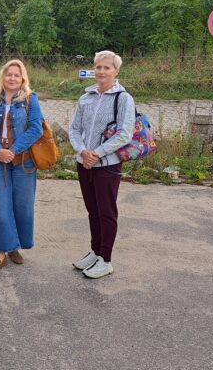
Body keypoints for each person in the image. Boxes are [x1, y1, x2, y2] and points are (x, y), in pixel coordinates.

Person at [69, 50, 135, 279]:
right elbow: (75, 129)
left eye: (107, 67)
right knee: (92, 211)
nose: (101, 71)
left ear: (116, 71)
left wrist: (96, 153)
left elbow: (124, 134)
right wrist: (82, 151)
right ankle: (95, 251)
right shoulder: (85, 97)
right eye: (98, 67)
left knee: (106, 212)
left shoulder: (123, 98)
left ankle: (105, 260)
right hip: (84, 163)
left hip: (107, 165)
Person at [0, 59, 44, 273]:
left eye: (17, 75)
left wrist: (14, 150)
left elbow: (36, 129)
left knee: (22, 207)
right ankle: (1, 254)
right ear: (3, 76)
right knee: (2, 207)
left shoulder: (30, 99)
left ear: (22, 78)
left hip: (24, 162)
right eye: (9, 74)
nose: (12, 78)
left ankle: (14, 246)